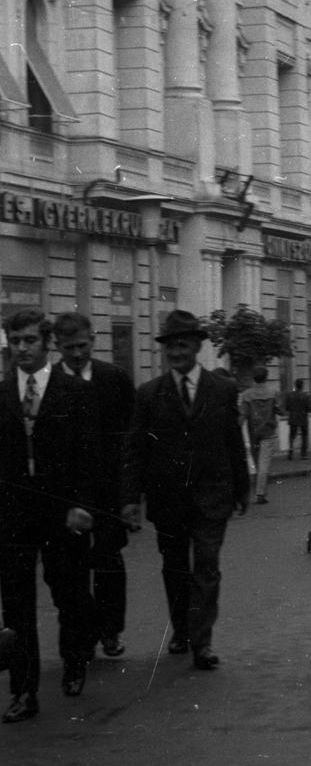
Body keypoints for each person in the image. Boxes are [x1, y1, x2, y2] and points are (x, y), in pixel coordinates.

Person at [120, 310, 250, 671]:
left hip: (212, 495)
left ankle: (202, 641)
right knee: (175, 566)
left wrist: (243, 488)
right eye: (170, 347)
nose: (176, 353)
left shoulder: (222, 389)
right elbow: (134, 449)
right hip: (168, 499)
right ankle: (181, 628)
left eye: (183, 345)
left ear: (196, 346)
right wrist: (130, 498)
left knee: (207, 565)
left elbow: (233, 442)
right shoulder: (149, 394)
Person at [0, 309, 98, 722]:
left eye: (30, 340)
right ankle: (24, 691)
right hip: (13, 515)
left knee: (69, 593)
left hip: (63, 511)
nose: (22, 348)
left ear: (46, 343)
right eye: (15, 341)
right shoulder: (2, 394)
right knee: (17, 605)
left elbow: (90, 456)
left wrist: (82, 504)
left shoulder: (74, 392)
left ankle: (74, 662)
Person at [53, 311, 136, 659]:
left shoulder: (114, 378)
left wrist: (130, 494)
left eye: (82, 345)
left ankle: (110, 631)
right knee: (70, 571)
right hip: (65, 494)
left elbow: (131, 437)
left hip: (107, 492)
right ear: (56, 345)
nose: (76, 353)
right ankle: (82, 636)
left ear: (93, 340)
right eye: (68, 347)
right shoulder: (48, 382)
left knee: (109, 563)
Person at [238, 364, 283, 504]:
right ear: (266, 377)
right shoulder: (274, 393)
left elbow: (242, 415)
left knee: (258, 463)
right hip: (269, 432)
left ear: (254, 378)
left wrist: (235, 430)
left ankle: (260, 493)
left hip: (253, 433)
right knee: (264, 464)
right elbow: (280, 410)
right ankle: (260, 493)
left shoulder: (247, 395)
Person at [284, 379, 311, 458]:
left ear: (295, 385)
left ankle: (291, 450)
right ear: (302, 385)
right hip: (303, 418)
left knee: (292, 435)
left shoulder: (290, 395)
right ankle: (303, 454)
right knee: (304, 435)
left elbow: (287, 408)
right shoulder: (306, 396)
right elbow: (309, 408)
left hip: (293, 417)